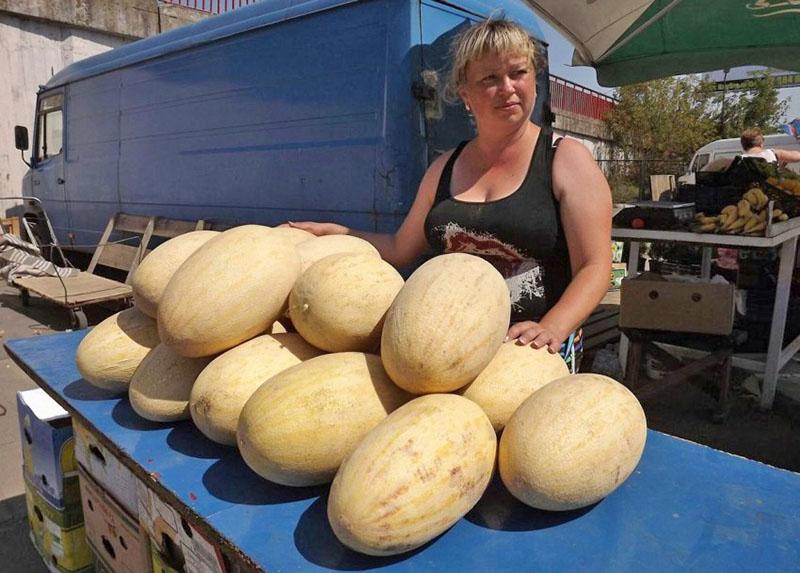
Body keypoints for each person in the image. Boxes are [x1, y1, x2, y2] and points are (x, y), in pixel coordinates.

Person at [287, 18, 612, 373]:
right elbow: (400, 248)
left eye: (517, 72)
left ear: (533, 79)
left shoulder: (565, 159)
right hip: (447, 350)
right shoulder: (444, 167)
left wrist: (553, 327)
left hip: (529, 354)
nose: (507, 88)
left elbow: (595, 267)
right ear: (465, 93)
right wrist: (340, 235)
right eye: (489, 78)